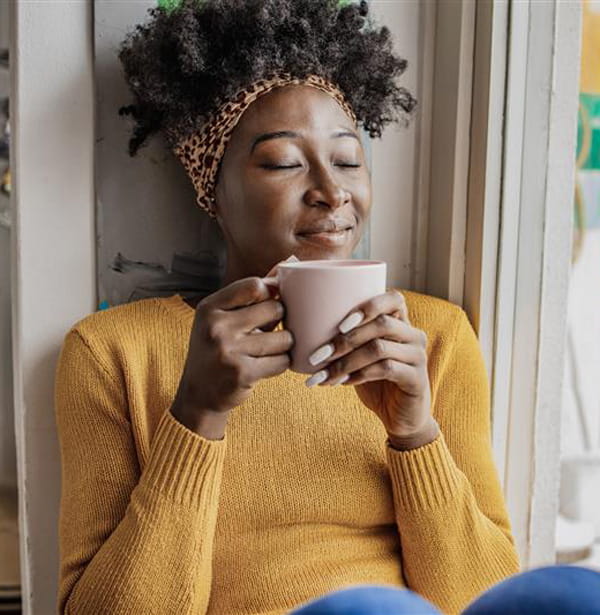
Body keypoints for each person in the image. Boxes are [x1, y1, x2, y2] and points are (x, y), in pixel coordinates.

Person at [54, 1, 600, 614]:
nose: (333, 190)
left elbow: (483, 599)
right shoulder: (112, 351)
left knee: (574, 594)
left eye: (348, 160)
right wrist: (196, 415)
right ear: (211, 186)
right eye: (285, 162)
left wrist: (414, 434)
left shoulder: (432, 336)